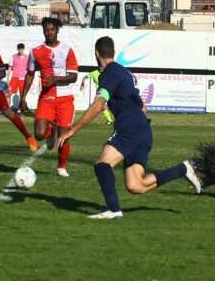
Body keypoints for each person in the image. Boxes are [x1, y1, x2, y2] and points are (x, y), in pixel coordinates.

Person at [56, 36, 201, 219]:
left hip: (130, 128)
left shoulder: (108, 73)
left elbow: (99, 105)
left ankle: (113, 211)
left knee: (102, 165)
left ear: (96, 53)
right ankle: (183, 168)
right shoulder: (126, 73)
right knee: (136, 185)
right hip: (143, 129)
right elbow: (142, 106)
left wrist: (73, 129)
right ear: (114, 53)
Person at [20, 17, 78, 177]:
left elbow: (73, 77)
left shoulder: (67, 50)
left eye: (52, 29)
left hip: (65, 98)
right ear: (43, 31)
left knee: (64, 138)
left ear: (57, 30)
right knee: (39, 134)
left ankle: (61, 167)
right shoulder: (35, 51)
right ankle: (50, 131)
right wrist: (23, 97)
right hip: (47, 97)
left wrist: (57, 78)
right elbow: (30, 74)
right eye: (46, 29)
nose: (49, 32)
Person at [6, 43, 28, 115]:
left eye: (21, 49)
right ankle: (6, 110)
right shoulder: (13, 57)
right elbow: (9, 68)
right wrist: (8, 79)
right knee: (9, 94)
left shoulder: (27, 58)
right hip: (14, 78)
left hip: (23, 79)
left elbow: (29, 69)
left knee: (22, 95)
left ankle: (19, 110)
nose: (20, 50)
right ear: (17, 49)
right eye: (19, 49)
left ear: (23, 49)